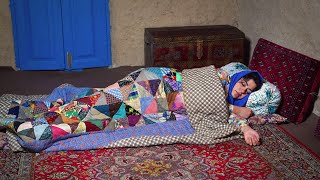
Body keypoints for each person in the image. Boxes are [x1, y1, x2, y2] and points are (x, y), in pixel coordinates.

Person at [217, 69, 264, 146]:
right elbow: (204, 99)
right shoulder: (223, 77)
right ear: (237, 78)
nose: (242, 91)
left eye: (247, 91)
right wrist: (236, 109)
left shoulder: (235, 103)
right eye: (242, 84)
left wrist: (247, 130)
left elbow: (230, 116)